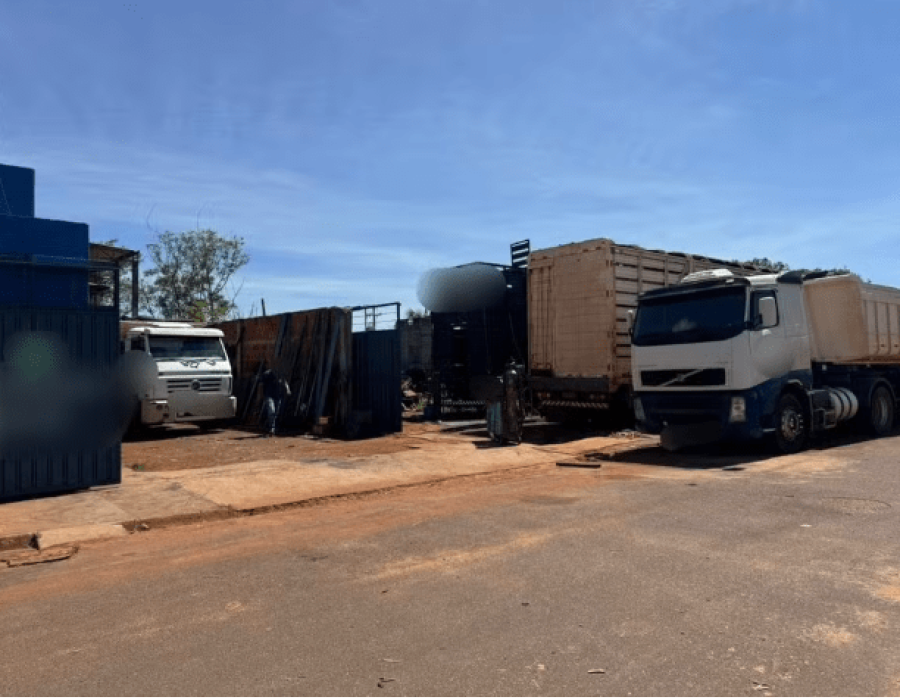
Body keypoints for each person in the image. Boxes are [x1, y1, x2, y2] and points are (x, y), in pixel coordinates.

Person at [260, 369, 291, 437]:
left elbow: (284, 381)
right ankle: (272, 428)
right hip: (269, 395)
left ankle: (271, 426)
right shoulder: (266, 374)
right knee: (271, 411)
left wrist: (287, 389)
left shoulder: (280, 373)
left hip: (277, 396)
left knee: (276, 413)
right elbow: (261, 385)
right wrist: (261, 395)